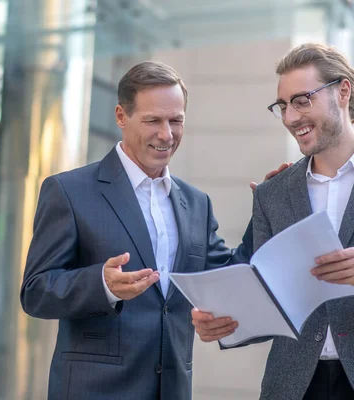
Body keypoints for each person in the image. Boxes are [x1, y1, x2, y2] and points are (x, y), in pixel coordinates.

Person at [191, 43, 354, 400]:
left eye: (302, 100)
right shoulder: (273, 193)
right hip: (294, 388)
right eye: (283, 106)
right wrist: (224, 324)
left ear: (342, 91)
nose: (290, 117)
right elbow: (267, 305)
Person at [20, 61, 286, 400]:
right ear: (121, 116)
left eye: (176, 120)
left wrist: (267, 210)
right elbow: (36, 291)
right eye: (153, 121)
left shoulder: (196, 202)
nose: (167, 134)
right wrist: (102, 284)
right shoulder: (69, 191)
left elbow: (228, 278)